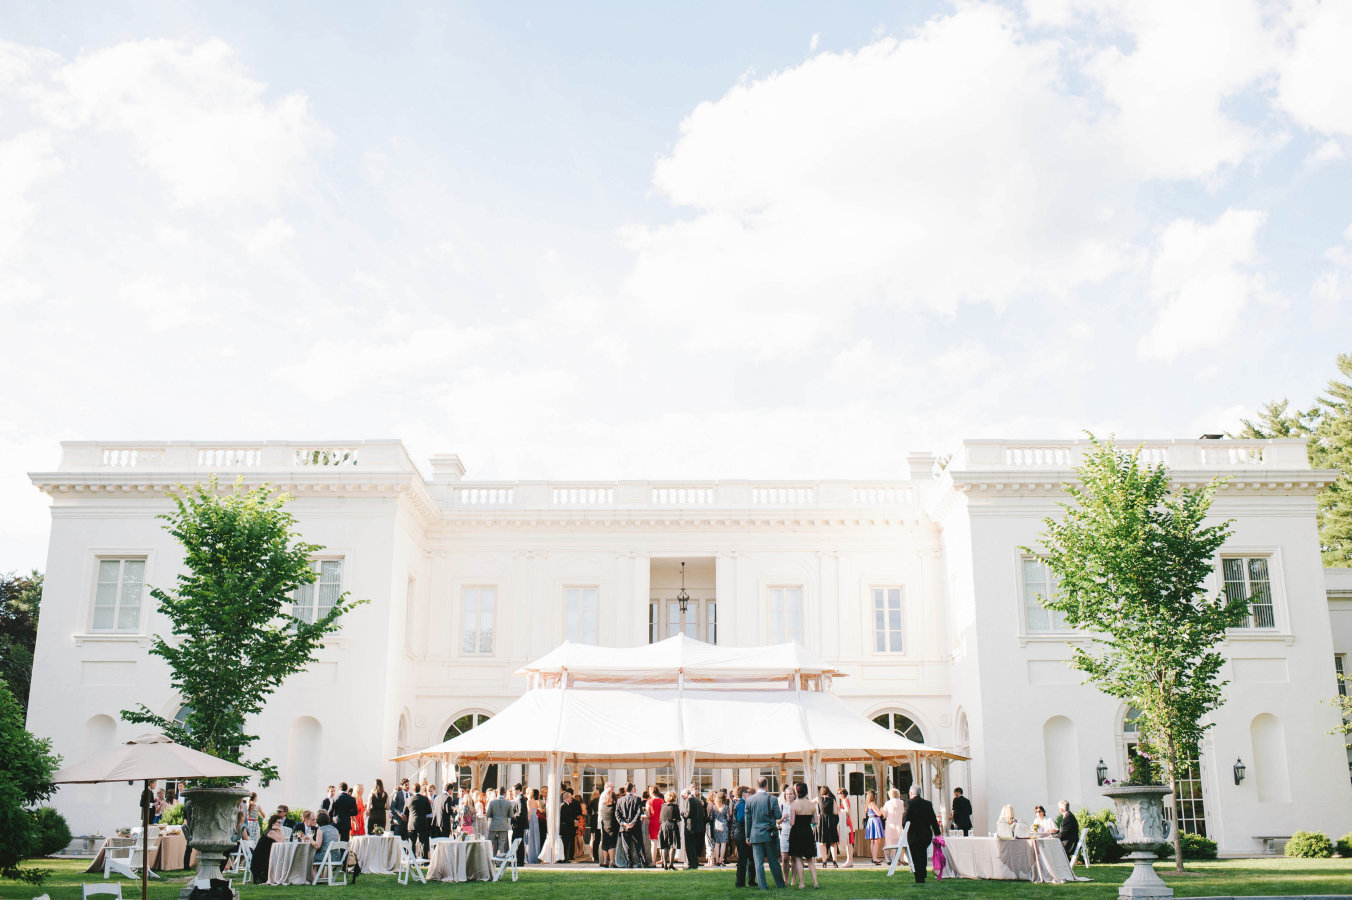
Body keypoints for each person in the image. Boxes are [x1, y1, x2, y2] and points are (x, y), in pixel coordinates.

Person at [745, 776, 785, 890]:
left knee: (758, 863)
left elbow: (748, 820)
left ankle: (763, 886)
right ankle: (780, 884)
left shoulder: (749, 800)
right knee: (774, 861)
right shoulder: (772, 799)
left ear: (757, 785)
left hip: (755, 834)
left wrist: (747, 836)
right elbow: (778, 816)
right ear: (766, 785)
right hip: (769, 833)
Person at [901, 785, 941, 884]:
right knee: (923, 854)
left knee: (915, 856)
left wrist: (905, 828)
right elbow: (933, 819)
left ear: (911, 793)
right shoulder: (928, 804)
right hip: (925, 834)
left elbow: (905, 819)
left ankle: (918, 877)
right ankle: (922, 873)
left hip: (913, 834)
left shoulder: (908, 803)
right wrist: (937, 833)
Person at [787, 783, 819, 889]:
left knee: (798, 858)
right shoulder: (812, 805)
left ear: (796, 792)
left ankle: (801, 883)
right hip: (808, 832)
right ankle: (815, 882)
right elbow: (816, 821)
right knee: (810, 859)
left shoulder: (794, 805)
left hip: (797, 833)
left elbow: (792, 822)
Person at [731, 785, 757, 888]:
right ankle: (740, 882)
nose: (750, 795)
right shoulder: (742, 804)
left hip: (741, 832)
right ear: (743, 794)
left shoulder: (742, 803)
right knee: (743, 859)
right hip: (742, 832)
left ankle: (750, 880)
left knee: (750, 858)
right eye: (748, 793)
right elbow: (741, 818)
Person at [616, 781, 645, 868]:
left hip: (624, 826)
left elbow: (617, 814)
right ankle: (641, 862)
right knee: (638, 844)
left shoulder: (620, 800)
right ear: (632, 789)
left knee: (626, 845)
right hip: (635, 826)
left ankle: (629, 862)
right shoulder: (638, 799)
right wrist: (633, 822)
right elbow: (638, 812)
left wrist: (623, 823)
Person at [252, 813, 285, 885]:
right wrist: (281, 830)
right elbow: (281, 841)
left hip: (267, 856)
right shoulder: (270, 832)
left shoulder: (275, 831)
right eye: (278, 822)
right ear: (273, 823)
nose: (280, 825)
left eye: (281, 823)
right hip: (260, 860)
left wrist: (279, 830)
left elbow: (282, 841)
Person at [310, 811, 343, 880]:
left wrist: (310, 840)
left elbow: (317, 846)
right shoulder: (335, 829)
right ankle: (320, 877)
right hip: (337, 856)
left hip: (326, 857)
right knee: (316, 856)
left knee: (310, 858)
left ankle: (315, 879)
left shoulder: (320, 830)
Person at [684, 786, 707, 870]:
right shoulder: (698, 800)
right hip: (697, 827)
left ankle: (692, 864)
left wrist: (683, 814)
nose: (683, 798)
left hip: (690, 827)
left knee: (690, 847)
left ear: (686, 794)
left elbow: (688, 813)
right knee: (694, 847)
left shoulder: (689, 800)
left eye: (683, 796)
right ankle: (694, 863)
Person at [487, 787, 513, 855]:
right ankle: (499, 860)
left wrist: (494, 815)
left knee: (490, 843)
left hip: (494, 825)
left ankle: (488, 859)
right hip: (503, 825)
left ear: (497, 792)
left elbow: (488, 814)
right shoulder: (508, 802)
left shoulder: (492, 802)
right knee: (501, 845)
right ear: (504, 793)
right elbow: (511, 815)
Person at [817, 786, 839, 867]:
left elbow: (810, 803)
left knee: (822, 842)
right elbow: (836, 812)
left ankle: (824, 860)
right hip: (831, 821)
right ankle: (834, 860)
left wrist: (817, 814)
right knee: (833, 842)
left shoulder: (818, 799)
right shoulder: (832, 800)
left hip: (822, 820)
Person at [659, 790, 681, 869]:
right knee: (672, 845)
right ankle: (671, 864)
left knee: (664, 845)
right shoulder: (675, 807)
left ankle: (664, 864)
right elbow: (678, 818)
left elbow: (660, 818)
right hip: (672, 825)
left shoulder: (663, 806)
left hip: (663, 825)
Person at [598, 783, 618, 868]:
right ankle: (612, 861)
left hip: (604, 824)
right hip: (612, 825)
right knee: (611, 843)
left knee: (605, 842)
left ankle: (605, 860)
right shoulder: (613, 807)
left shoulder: (603, 808)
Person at [410, 783, 433, 857]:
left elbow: (405, 812)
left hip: (412, 822)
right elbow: (429, 811)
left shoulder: (409, 799)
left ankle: (412, 858)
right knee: (423, 842)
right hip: (422, 822)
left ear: (413, 790)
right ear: (419, 789)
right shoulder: (425, 799)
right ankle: (424, 858)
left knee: (412, 842)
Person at [559, 789, 581, 862]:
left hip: (568, 827)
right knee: (565, 843)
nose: (572, 799)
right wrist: (573, 820)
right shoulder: (564, 806)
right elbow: (565, 817)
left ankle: (566, 857)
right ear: (567, 798)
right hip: (566, 828)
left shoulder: (566, 805)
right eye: (571, 798)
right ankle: (565, 858)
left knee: (567, 843)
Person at [864, 789, 885, 864]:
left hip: (871, 820)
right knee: (877, 840)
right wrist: (882, 810)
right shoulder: (872, 804)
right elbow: (879, 814)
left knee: (872, 841)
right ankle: (875, 858)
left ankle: (873, 857)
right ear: (873, 796)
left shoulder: (868, 804)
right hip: (875, 820)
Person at [511, 784, 530, 865]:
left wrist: (513, 817)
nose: (513, 792)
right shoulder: (520, 798)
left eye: (513, 790)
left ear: (518, 790)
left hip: (519, 824)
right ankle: (518, 860)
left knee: (518, 842)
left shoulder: (521, 798)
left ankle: (520, 860)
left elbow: (521, 812)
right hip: (519, 824)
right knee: (518, 842)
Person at [709, 790, 729, 866]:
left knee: (717, 843)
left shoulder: (713, 807)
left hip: (716, 825)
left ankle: (717, 860)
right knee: (723, 843)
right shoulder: (726, 807)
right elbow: (728, 817)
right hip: (724, 825)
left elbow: (710, 817)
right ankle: (721, 860)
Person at [777, 786, 794, 876]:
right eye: (787, 794)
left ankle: (794, 879)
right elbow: (777, 821)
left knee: (794, 857)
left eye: (790, 794)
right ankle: (785, 878)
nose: (788, 796)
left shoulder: (796, 805)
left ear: (794, 795)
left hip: (795, 832)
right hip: (784, 832)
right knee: (784, 857)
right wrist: (783, 818)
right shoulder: (782, 806)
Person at [836, 787, 854, 867]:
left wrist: (840, 810)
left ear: (842, 794)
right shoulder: (845, 800)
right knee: (848, 842)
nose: (838, 795)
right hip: (845, 821)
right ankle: (849, 860)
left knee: (849, 842)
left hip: (846, 822)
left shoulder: (845, 801)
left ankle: (849, 860)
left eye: (839, 793)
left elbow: (848, 812)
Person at [647, 785, 665, 864]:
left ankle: (653, 862)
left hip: (653, 821)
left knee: (653, 843)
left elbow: (648, 814)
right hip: (661, 821)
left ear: (651, 792)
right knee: (662, 842)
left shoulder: (649, 801)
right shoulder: (662, 801)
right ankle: (663, 860)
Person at [526, 788, 542, 863]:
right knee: (535, 837)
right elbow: (539, 810)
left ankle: (530, 856)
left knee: (530, 838)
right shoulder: (536, 801)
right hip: (535, 819)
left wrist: (527, 820)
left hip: (531, 819)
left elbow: (529, 812)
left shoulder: (529, 801)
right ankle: (536, 855)